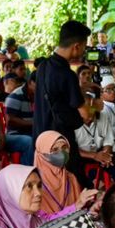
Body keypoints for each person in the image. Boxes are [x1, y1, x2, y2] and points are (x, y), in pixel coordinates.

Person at [34, 21, 91, 176]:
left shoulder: (43, 67)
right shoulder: (67, 75)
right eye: (84, 46)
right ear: (76, 46)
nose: (84, 50)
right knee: (73, 183)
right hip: (61, 140)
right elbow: (85, 114)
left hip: (41, 137)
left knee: (48, 181)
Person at [34, 130, 87, 213]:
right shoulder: (34, 184)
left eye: (64, 147)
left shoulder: (70, 178)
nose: (61, 153)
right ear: (42, 154)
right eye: (55, 149)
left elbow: (80, 209)